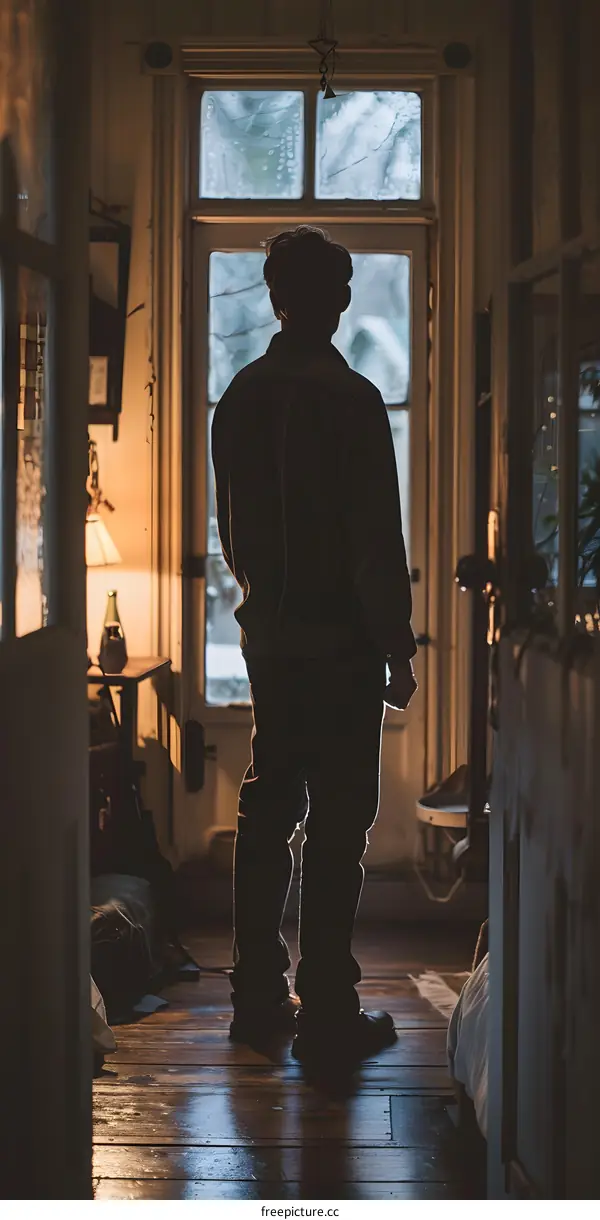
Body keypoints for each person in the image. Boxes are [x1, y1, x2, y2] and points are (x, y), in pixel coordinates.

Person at [211, 225, 417, 1069]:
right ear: (332, 299)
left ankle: (255, 995)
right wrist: (396, 649)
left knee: (267, 810)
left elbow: (232, 535)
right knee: (338, 824)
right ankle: (327, 1004)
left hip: (273, 638)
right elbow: (375, 544)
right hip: (339, 646)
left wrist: (264, 605)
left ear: (272, 296)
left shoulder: (241, 398)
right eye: (340, 291)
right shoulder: (354, 402)